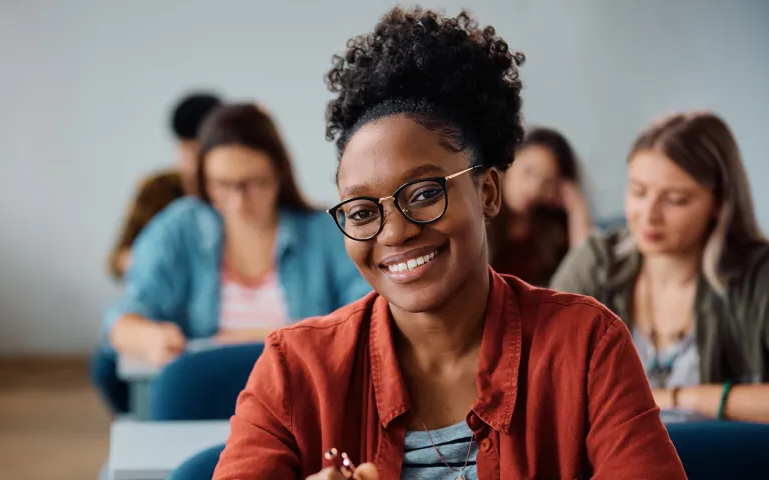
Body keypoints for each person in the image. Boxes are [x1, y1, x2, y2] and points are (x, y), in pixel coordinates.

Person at [213, 7, 686, 480]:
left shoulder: (585, 346)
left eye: (424, 194)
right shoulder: (295, 370)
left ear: (487, 193)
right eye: (361, 212)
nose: (394, 232)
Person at [91, 103, 371, 413]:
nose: (238, 203)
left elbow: (370, 313)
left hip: (306, 406)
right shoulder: (179, 227)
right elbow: (125, 314)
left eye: (253, 183)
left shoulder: (324, 232)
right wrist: (148, 336)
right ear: (203, 179)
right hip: (205, 407)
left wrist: (237, 338)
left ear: (279, 173)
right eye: (222, 185)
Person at [551, 111, 769, 424]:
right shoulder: (596, 261)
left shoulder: (758, 275)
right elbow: (533, 370)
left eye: (676, 199)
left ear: (720, 203)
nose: (649, 215)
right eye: (638, 192)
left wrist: (680, 398)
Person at [106, 92, 221, 280]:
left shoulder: (232, 194)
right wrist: (149, 259)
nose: (194, 163)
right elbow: (116, 260)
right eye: (187, 150)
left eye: (202, 152)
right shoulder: (156, 189)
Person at [489, 127, 592, 285]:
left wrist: (576, 208)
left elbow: (585, 276)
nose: (534, 188)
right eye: (529, 172)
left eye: (547, 181)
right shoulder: (481, 211)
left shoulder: (549, 233)